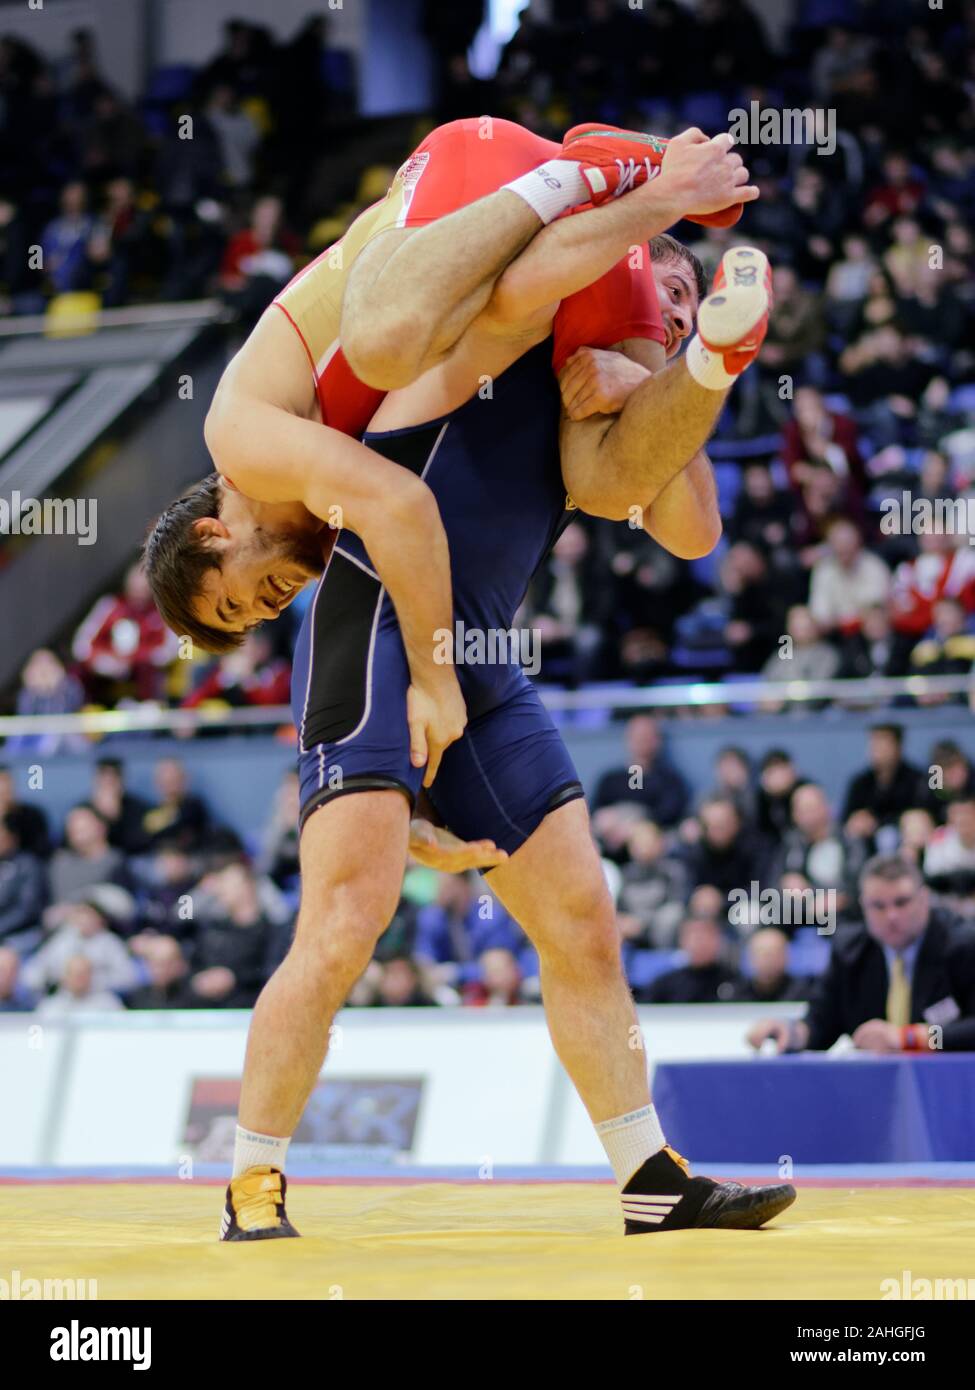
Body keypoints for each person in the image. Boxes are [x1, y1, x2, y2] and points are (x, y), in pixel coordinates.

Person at [747, 856, 975, 1054]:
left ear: (924, 899)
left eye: (902, 902)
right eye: (878, 906)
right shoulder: (850, 953)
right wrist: (789, 1032)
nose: (891, 915)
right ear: (863, 906)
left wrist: (911, 1038)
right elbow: (819, 1024)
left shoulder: (963, 945)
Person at [637, 915, 741, 1004]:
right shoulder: (665, 985)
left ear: (719, 940)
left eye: (707, 935)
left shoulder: (736, 982)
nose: (701, 942)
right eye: (695, 936)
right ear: (682, 941)